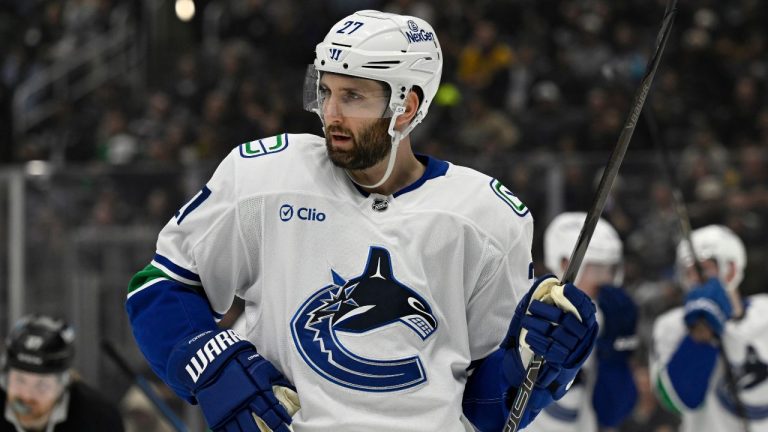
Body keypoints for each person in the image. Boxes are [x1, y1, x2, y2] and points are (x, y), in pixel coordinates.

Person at [125, 10, 599, 431]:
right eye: (326, 91)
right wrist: (216, 371)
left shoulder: (487, 219)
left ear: (406, 107)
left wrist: (542, 364)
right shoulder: (265, 177)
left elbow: (487, 407)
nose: (330, 113)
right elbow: (158, 289)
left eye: (352, 96)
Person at [525, 213, 638, 432]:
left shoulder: (607, 321)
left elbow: (612, 413)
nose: (605, 280)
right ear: (565, 263)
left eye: (610, 270)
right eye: (596, 270)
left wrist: (617, 350)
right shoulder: (531, 312)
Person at [651, 225, 768, 431]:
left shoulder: (764, 313)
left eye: (702, 269)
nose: (694, 279)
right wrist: (700, 331)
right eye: (687, 272)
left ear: (731, 270)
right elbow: (678, 400)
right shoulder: (671, 326)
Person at [0, 315, 125, 431]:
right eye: (19, 380)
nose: (27, 395)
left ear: (63, 383)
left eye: (42, 386)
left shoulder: (100, 418)